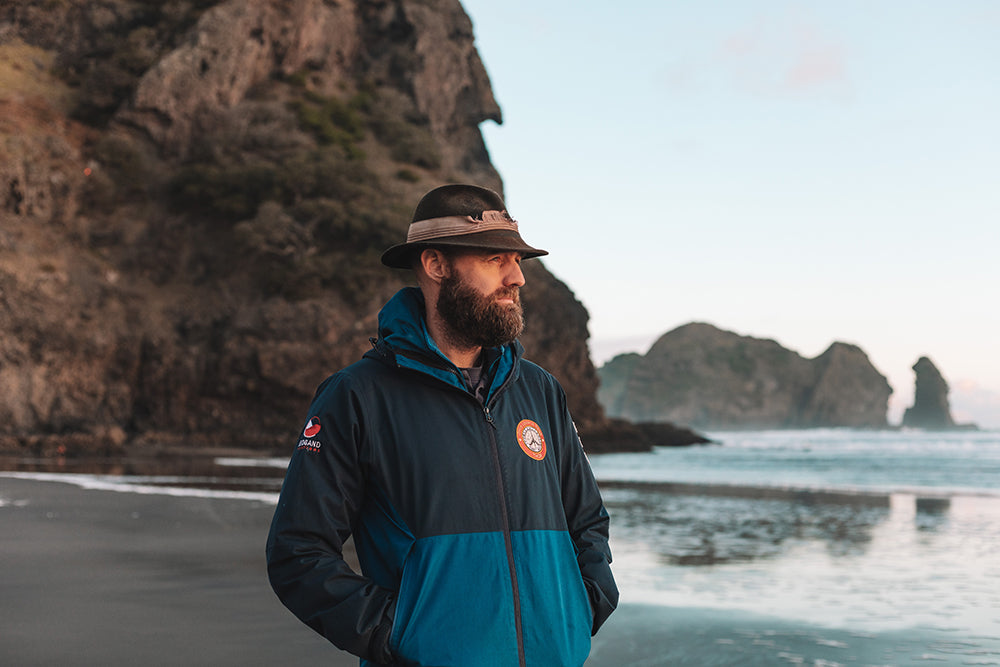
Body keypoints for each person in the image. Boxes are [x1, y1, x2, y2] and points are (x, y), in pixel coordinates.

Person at [266, 184, 618, 666]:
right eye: (495, 259)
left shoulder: (538, 390)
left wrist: (580, 609)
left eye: (517, 260)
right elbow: (298, 551)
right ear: (435, 265)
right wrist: (403, 635)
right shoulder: (359, 396)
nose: (517, 278)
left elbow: (587, 520)